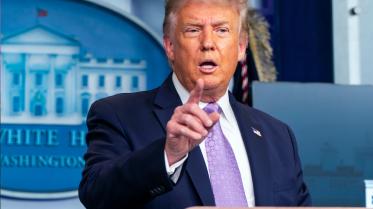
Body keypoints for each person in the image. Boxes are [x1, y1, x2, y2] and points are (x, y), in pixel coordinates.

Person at [79, 0, 311, 208]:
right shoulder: (120, 114)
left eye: (222, 30)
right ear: (170, 47)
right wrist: (168, 154)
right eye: (193, 30)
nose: (208, 43)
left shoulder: (278, 135)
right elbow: (96, 195)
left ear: (241, 48)